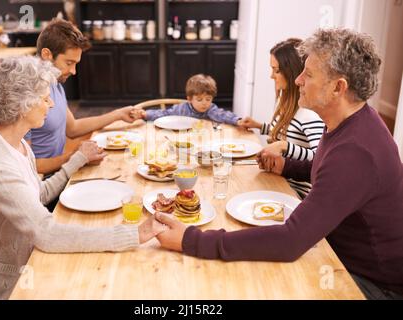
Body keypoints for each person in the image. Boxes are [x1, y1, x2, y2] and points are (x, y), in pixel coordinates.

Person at [154, 28, 403, 300]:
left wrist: (190, 240)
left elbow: (290, 241)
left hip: (371, 284)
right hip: (337, 253)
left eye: (308, 74)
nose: (298, 79)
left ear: (338, 87)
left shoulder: (356, 151)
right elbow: (333, 177)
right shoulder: (352, 122)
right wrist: (287, 167)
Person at [0, 56, 165, 300]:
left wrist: (78, 159)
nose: (51, 105)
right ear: (22, 104)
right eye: (45, 98)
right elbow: (47, 235)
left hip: (28, 257)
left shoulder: (15, 142)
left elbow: (39, 194)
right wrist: (135, 235)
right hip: (4, 282)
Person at [26, 19, 142, 176]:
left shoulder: (54, 82)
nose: (73, 71)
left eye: (75, 64)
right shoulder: (26, 96)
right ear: (47, 55)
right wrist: (75, 157)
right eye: (69, 62)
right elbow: (27, 166)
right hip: (43, 184)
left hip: (60, 173)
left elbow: (72, 128)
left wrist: (117, 115)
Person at [238, 38, 325, 198]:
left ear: (292, 72)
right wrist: (259, 126)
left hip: (296, 192)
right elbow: (288, 133)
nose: (272, 76)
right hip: (279, 181)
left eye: (276, 70)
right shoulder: (285, 101)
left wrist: (284, 146)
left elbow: (321, 158)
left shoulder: (309, 114)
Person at [134, 74, 245, 126]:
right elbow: (164, 114)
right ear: (189, 99)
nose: (205, 103)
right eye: (199, 99)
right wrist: (146, 115)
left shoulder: (211, 109)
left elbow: (224, 115)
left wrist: (238, 120)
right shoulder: (182, 109)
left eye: (208, 99)